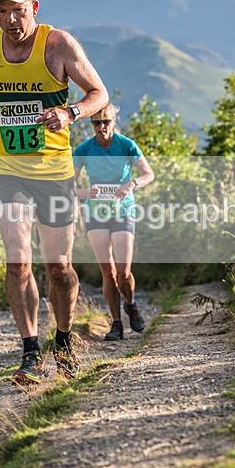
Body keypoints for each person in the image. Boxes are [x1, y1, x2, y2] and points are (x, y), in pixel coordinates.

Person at [0, 0, 108, 384]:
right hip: (8, 167)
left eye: (18, 10)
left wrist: (69, 113)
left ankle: (63, 339)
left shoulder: (58, 45)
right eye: (2, 11)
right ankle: (30, 350)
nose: (11, 20)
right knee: (17, 260)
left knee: (60, 267)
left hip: (53, 169)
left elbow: (99, 93)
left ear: (33, 7)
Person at [73, 103, 155, 341]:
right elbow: (68, 186)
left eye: (105, 122)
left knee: (123, 272)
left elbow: (148, 174)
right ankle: (116, 324)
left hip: (123, 210)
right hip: (95, 213)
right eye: (96, 123)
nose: (101, 128)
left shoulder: (126, 145)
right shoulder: (83, 150)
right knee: (107, 273)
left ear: (113, 122)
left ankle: (131, 304)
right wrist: (87, 193)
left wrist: (132, 184)